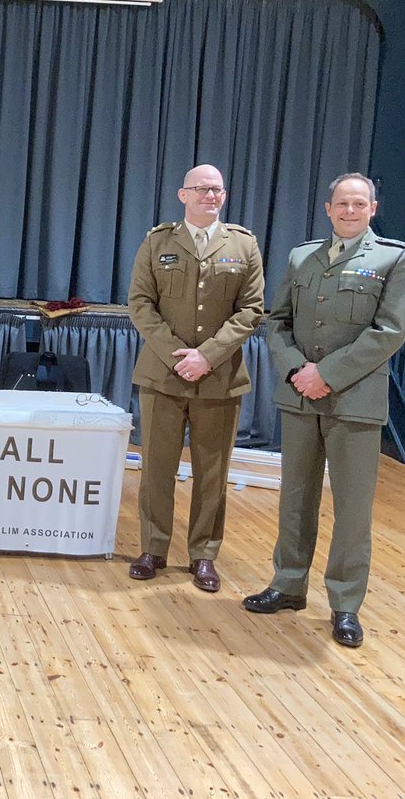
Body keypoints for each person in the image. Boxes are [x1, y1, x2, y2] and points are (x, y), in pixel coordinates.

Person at [243, 173, 405, 648]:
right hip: (300, 394)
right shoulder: (303, 256)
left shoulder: (396, 258)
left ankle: (345, 604)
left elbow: (389, 331)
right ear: (328, 208)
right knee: (295, 497)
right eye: (342, 203)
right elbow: (277, 321)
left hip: (355, 400)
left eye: (358, 203)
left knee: (352, 509)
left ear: (373, 209)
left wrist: (328, 374)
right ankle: (288, 583)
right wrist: (300, 369)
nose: (349, 210)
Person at [127, 164, 264, 592]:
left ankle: (204, 554)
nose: (211, 195)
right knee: (157, 469)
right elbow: (140, 304)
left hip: (218, 377)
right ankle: (153, 548)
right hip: (163, 377)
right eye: (202, 189)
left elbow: (251, 310)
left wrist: (206, 357)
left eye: (217, 189)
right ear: (182, 195)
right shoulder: (157, 241)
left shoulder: (243, 245)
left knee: (212, 473)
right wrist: (177, 356)